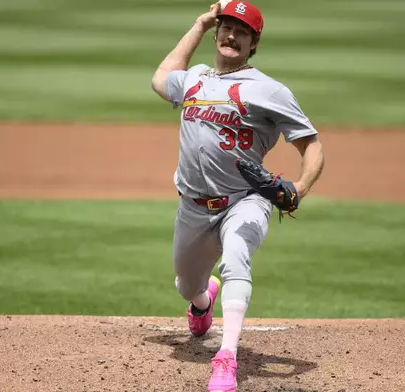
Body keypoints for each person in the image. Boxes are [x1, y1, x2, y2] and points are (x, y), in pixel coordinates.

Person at [150, 1, 324, 390]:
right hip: (193, 207)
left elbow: (311, 145)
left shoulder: (269, 90)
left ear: (253, 43)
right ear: (217, 33)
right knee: (186, 284)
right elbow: (161, 79)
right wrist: (199, 22)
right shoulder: (194, 79)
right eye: (226, 28)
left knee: (236, 257)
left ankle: (226, 357)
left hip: (246, 199)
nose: (231, 36)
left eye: (241, 32)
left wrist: (299, 187)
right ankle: (201, 302)